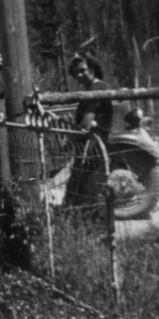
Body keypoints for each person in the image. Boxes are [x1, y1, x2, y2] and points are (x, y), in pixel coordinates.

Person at [64, 53, 113, 209]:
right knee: (80, 184)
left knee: (85, 185)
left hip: (94, 144)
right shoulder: (93, 88)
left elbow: (86, 124)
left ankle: (88, 220)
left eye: (83, 70)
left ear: (92, 67)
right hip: (90, 142)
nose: (80, 75)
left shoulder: (96, 89)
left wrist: (69, 140)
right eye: (76, 73)